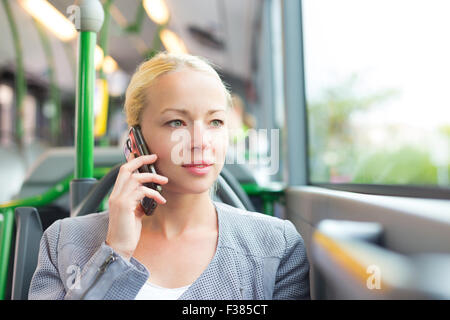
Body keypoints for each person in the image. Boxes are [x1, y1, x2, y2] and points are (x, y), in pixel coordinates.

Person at [28, 52, 310, 300]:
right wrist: (115, 253)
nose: (200, 142)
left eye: (215, 122)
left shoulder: (275, 246)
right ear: (135, 141)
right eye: (176, 122)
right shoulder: (64, 242)